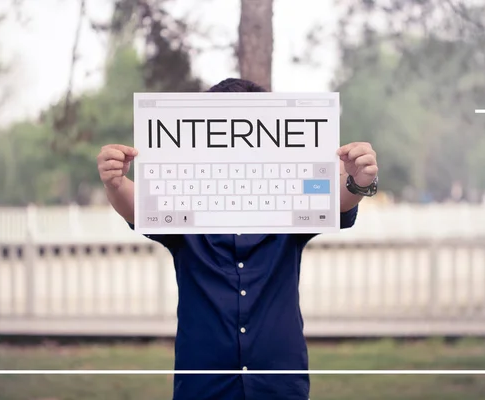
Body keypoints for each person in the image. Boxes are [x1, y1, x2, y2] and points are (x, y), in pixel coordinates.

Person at [96, 78, 379, 400]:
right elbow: (137, 205)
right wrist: (115, 182)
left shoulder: (289, 206)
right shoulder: (184, 211)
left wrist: (359, 180)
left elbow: (338, 199)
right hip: (204, 382)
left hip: (278, 381)